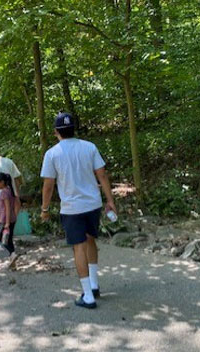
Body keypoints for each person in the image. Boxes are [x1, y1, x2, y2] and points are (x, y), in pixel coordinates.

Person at [40, 112, 117, 309]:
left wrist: (45, 209)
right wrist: (110, 200)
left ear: (56, 132)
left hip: (72, 208)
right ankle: (94, 284)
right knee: (90, 239)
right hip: (93, 204)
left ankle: (88, 296)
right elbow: (102, 175)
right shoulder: (89, 147)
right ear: (74, 129)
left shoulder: (52, 154)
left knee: (79, 247)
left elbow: (48, 186)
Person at [0, 172, 20, 256]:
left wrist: (6, 222)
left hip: (5, 219)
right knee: (9, 238)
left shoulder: (4, 192)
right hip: (12, 217)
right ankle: (12, 256)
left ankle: (12, 253)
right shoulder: (9, 190)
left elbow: (7, 208)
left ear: (2, 182)